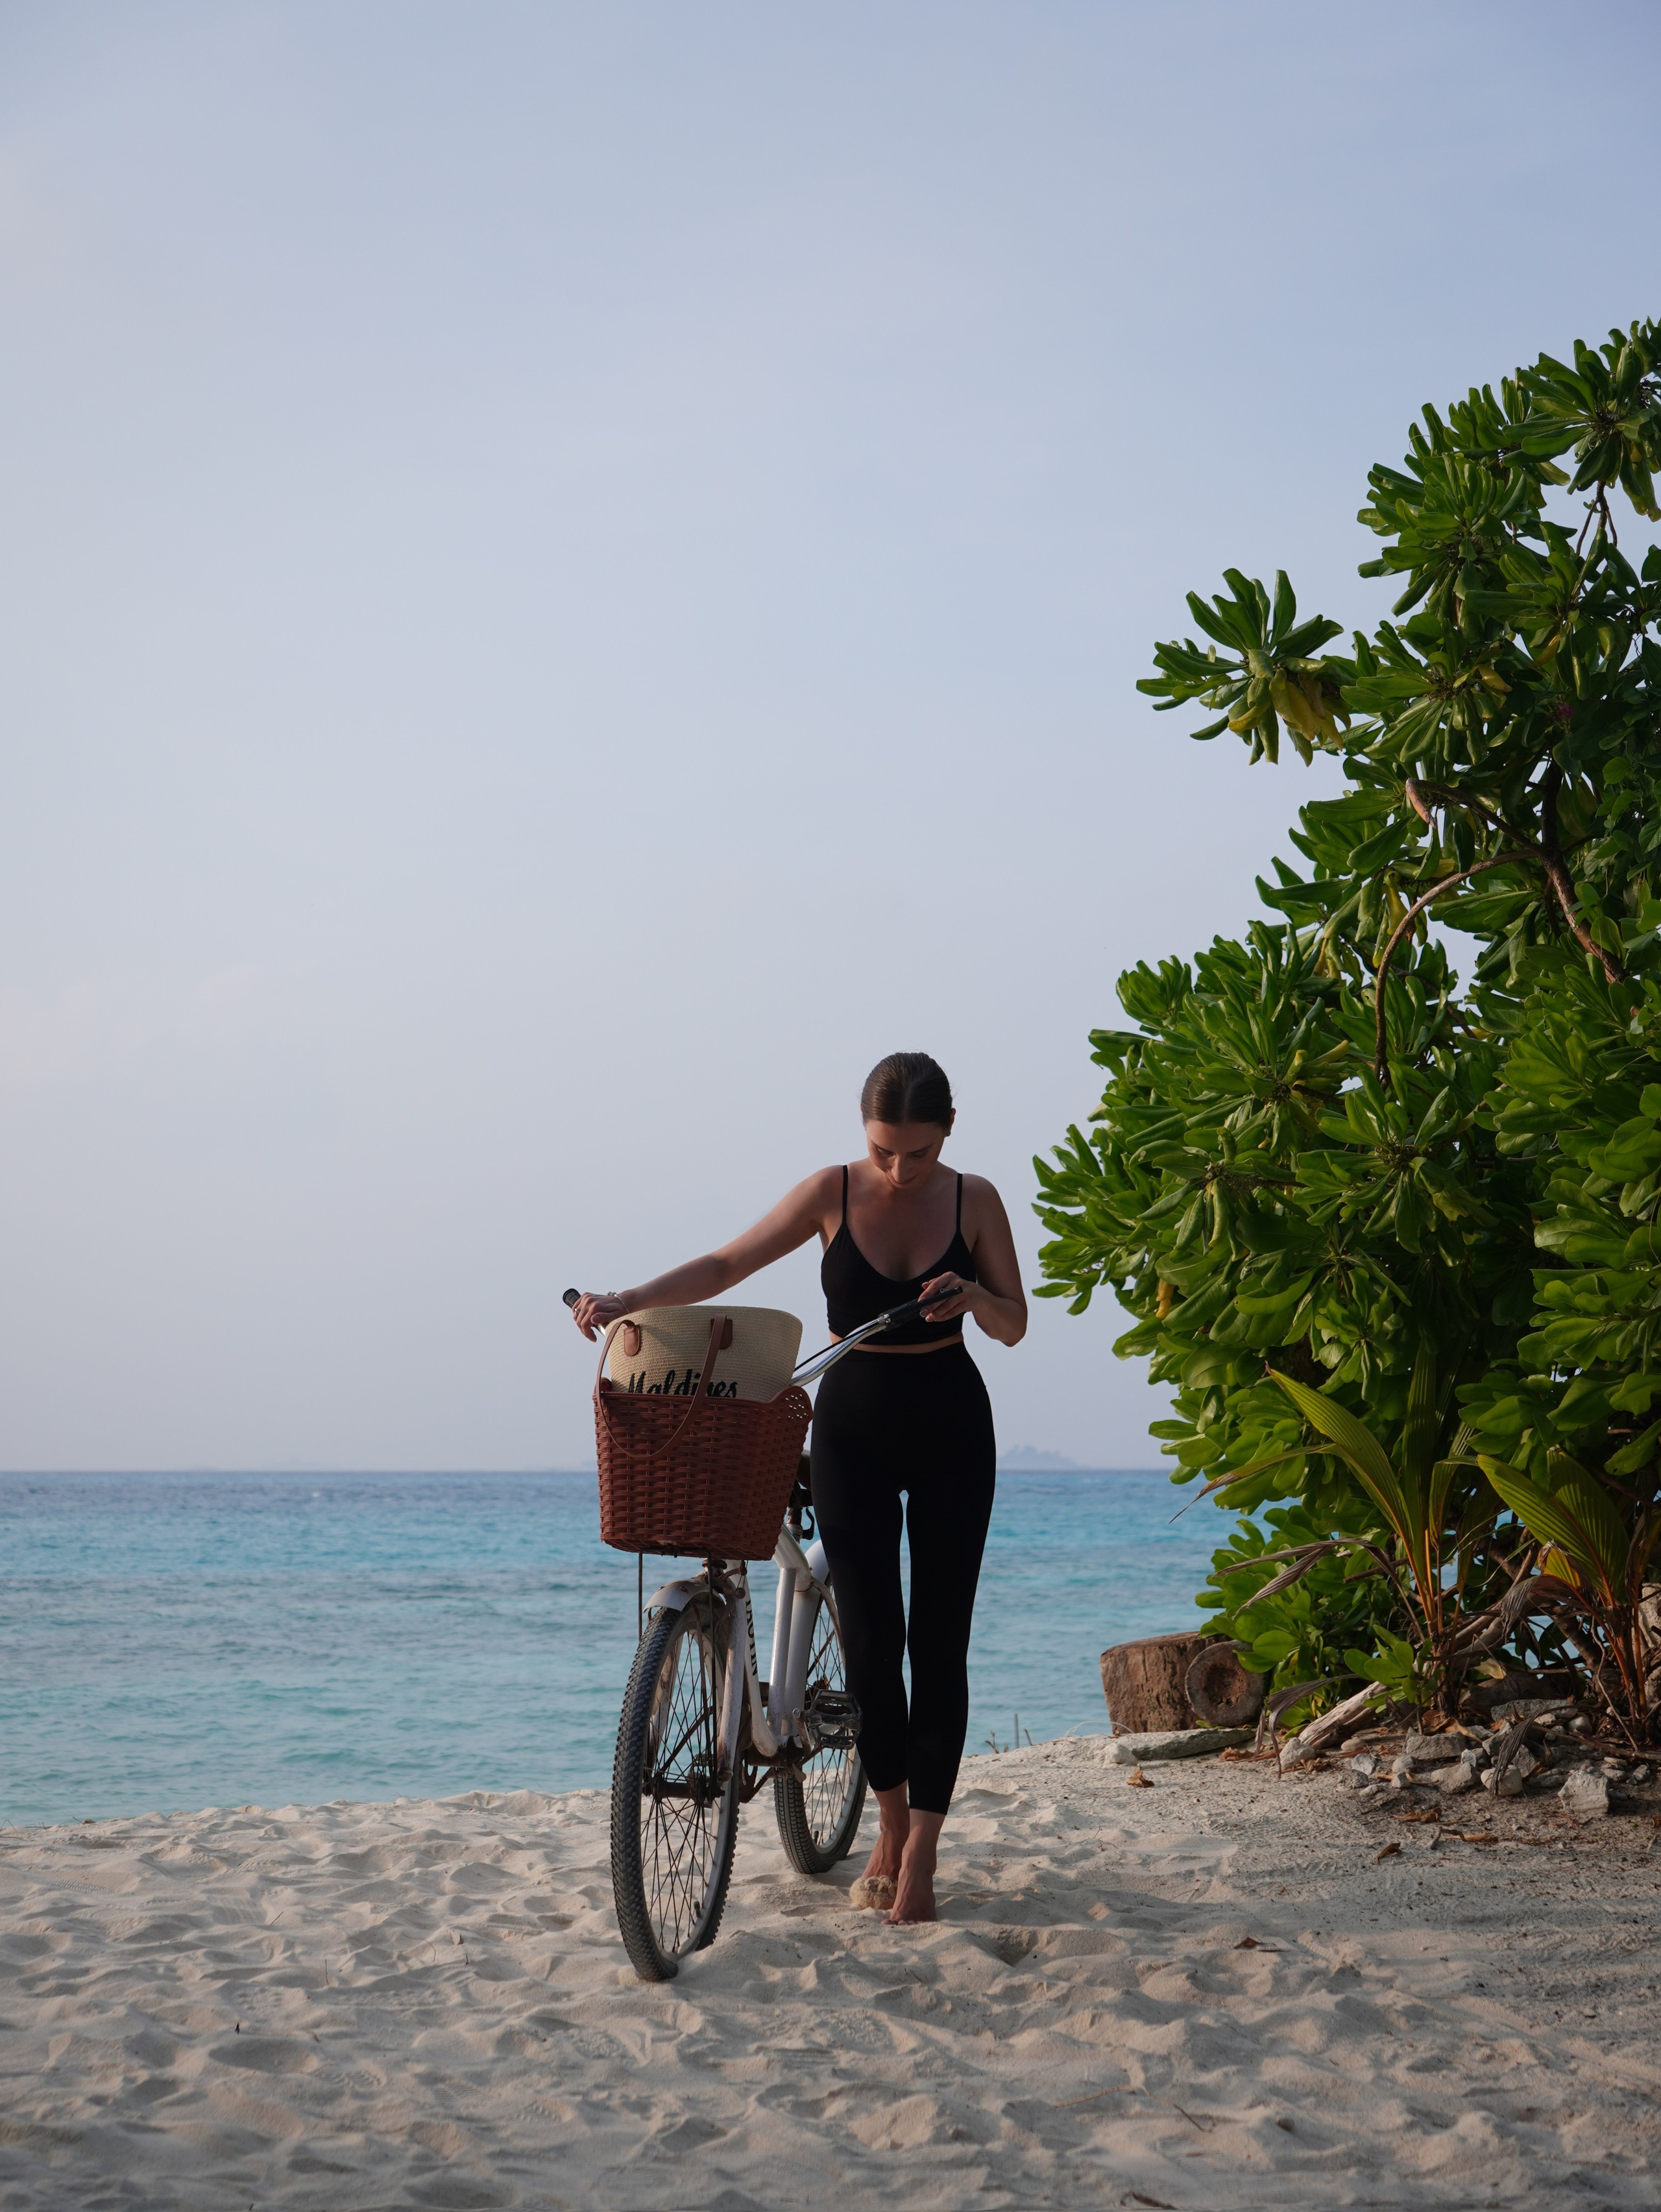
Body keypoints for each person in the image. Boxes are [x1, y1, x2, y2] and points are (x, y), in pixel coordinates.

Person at [568, 1050, 1026, 1925]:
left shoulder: (979, 1200)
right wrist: (629, 1298)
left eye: (918, 1153)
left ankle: (921, 1854)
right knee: (867, 1639)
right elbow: (725, 1263)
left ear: (947, 1136)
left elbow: (1016, 1322)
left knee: (938, 1644)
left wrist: (971, 1296)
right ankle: (888, 1829)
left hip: (951, 1428)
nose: (899, 1169)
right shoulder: (832, 1193)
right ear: (866, 1134)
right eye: (885, 1150)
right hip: (851, 1427)